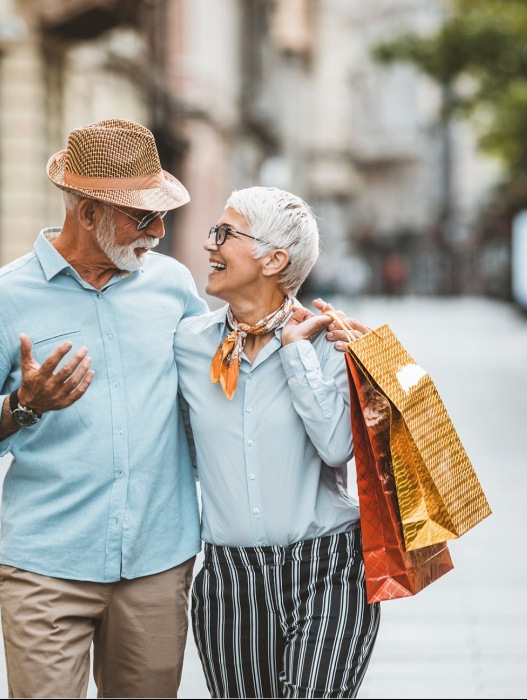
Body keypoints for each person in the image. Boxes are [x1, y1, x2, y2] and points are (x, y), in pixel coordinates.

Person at [0, 118, 209, 698]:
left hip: (158, 561)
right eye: (142, 216)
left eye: (161, 215)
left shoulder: (173, 286)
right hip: (45, 566)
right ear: (87, 214)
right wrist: (21, 406)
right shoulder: (2, 299)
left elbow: (220, 383)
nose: (157, 231)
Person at [174, 187, 381, 699]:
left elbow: (336, 447)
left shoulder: (330, 343)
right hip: (230, 579)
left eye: (224, 234)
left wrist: (295, 351)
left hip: (328, 568)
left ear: (274, 259)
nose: (209, 246)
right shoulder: (187, 345)